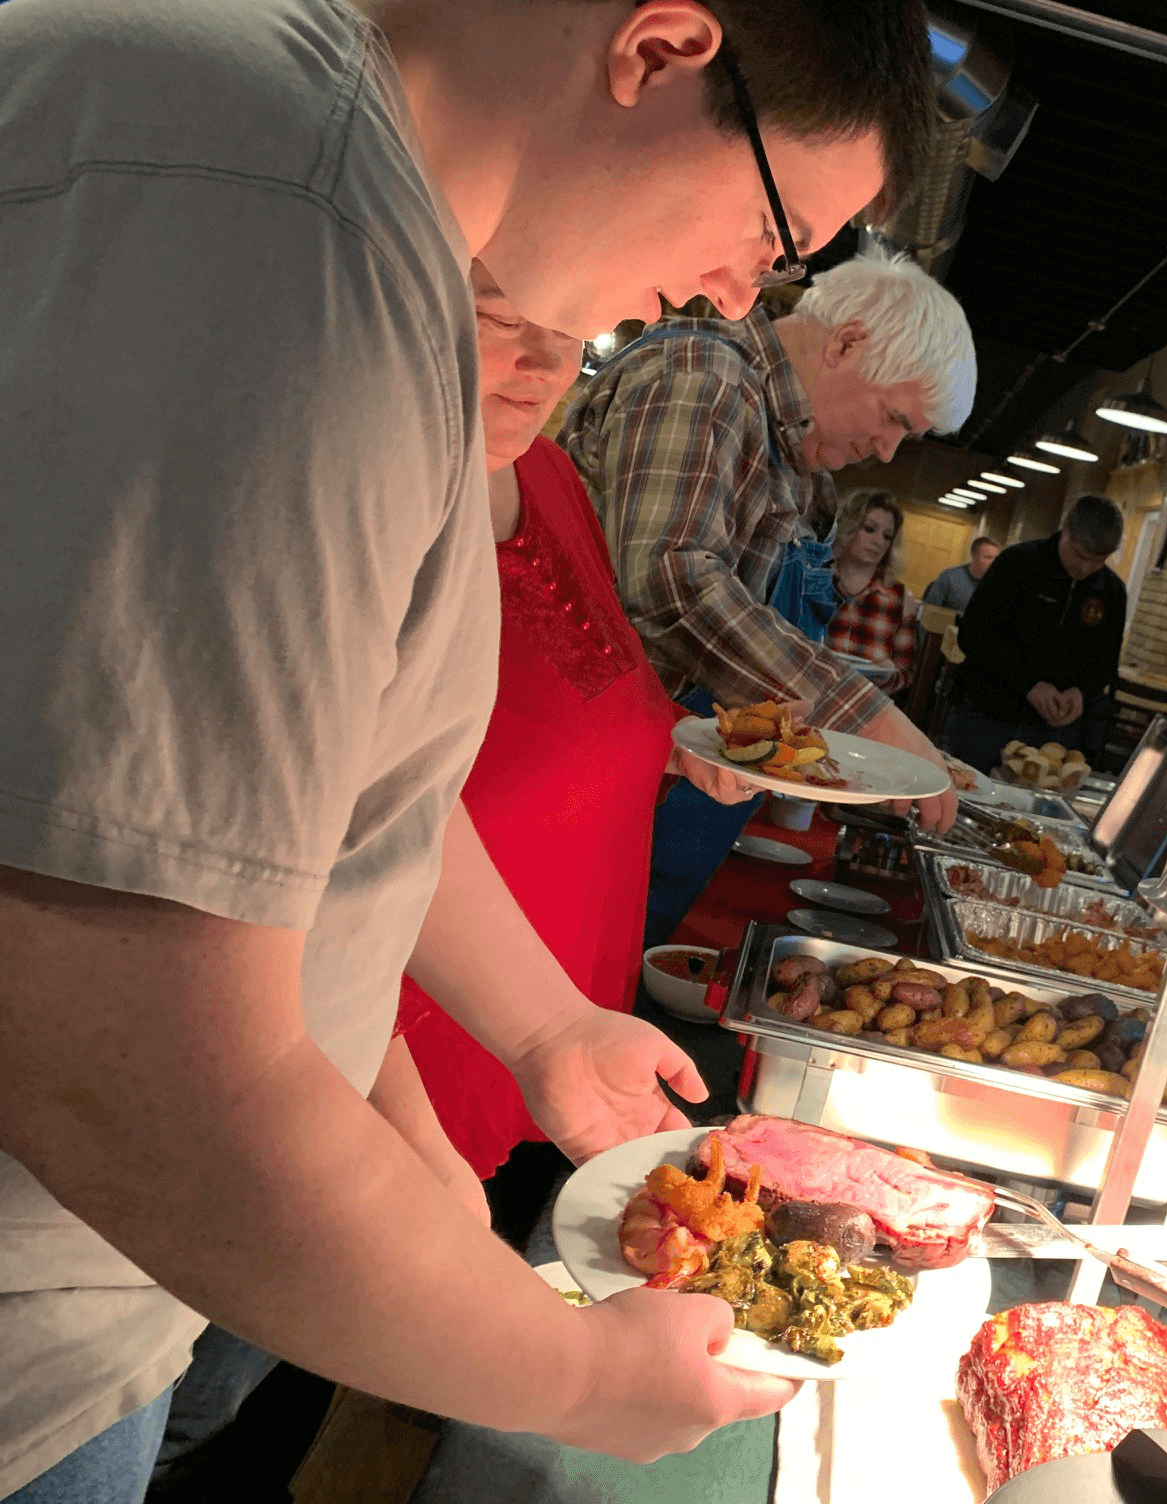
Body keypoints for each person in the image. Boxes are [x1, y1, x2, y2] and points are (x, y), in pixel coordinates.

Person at [0, 0, 933, 1496]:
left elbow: (318, 799)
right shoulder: (285, 226)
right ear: (663, 49)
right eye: (778, 238)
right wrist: (568, 1372)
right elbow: (131, 1047)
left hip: (100, 1275)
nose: (732, 295)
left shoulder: (351, 224)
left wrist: (536, 1038)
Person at [559, 240, 974, 936]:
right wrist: (862, 716)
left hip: (642, 776)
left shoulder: (799, 460)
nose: (887, 451)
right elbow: (669, 579)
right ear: (846, 343)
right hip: (564, 766)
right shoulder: (705, 379)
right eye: (895, 419)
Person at [941, 495, 1128, 774]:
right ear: (1065, 529)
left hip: (1053, 732)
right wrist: (1029, 685)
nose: (1086, 568)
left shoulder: (1110, 591)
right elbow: (975, 635)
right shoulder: (1019, 563)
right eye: (1079, 555)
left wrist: (1081, 693)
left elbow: (1105, 662)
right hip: (988, 714)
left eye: (1098, 561)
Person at [826, 490, 919, 694]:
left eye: (887, 536)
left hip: (861, 706)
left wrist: (887, 677)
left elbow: (906, 671)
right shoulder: (817, 577)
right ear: (848, 528)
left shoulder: (898, 598)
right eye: (869, 529)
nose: (878, 541)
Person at [922, 534, 1000, 613]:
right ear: (974, 556)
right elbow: (928, 611)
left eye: (996, 559)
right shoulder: (950, 577)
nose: (993, 563)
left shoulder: (997, 584)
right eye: (988, 557)